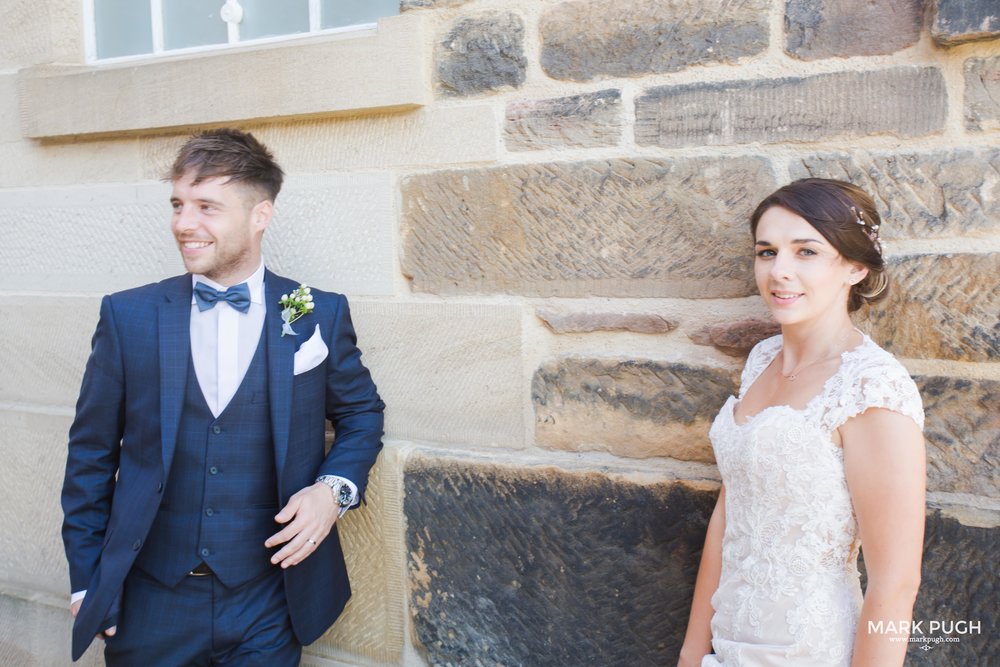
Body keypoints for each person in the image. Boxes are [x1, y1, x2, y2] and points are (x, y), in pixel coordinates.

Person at [61, 128, 385, 665]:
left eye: (206, 206)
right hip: (149, 602)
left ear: (260, 215)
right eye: (178, 205)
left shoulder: (310, 310)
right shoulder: (129, 315)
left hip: (268, 599)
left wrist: (333, 491)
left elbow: (360, 413)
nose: (184, 224)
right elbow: (90, 457)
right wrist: (86, 582)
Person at [678, 179, 925, 666]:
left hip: (810, 649)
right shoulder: (761, 358)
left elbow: (897, 583)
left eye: (806, 251)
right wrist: (692, 651)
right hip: (728, 644)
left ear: (854, 267)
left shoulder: (871, 389)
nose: (779, 272)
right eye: (767, 252)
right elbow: (731, 515)